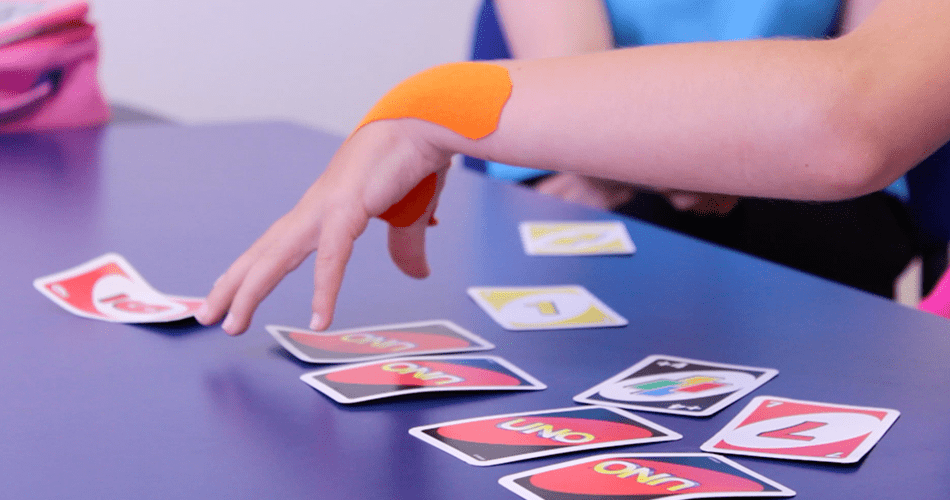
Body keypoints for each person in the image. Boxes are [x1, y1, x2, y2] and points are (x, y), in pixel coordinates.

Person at [195, 0, 950, 335]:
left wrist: (429, 109)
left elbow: (855, 116)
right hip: (594, 192)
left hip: (816, 216)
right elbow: (585, 107)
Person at [471, 0, 924, 299]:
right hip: (597, 180)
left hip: (803, 180)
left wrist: (704, 158)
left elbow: (871, 97)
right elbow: (569, 100)